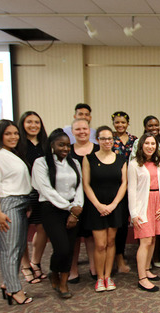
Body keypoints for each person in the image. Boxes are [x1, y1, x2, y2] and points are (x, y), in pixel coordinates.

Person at [0, 119, 33, 305]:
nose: (13, 137)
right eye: (8, 134)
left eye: (15, 133)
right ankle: (14, 290)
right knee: (9, 250)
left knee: (18, 248)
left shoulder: (12, 154)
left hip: (20, 204)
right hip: (6, 205)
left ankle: (8, 283)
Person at [32, 129, 84, 299]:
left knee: (69, 248)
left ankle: (63, 282)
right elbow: (46, 190)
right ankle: (54, 272)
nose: (65, 148)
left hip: (73, 210)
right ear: (52, 145)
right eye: (61, 145)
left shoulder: (74, 163)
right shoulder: (41, 163)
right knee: (61, 247)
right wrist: (69, 208)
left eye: (68, 145)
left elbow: (79, 187)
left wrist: (76, 209)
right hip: (52, 209)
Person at [82, 126, 127, 292]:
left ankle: (108, 276)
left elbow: (124, 183)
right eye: (103, 138)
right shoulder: (89, 159)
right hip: (96, 207)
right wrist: (98, 205)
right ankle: (100, 278)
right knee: (100, 244)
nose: (107, 141)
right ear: (97, 140)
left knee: (110, 242)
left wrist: (114, 204)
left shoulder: (121, 159)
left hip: (115, 206)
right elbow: (86, 184)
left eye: (110, 138)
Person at [128, 133, 160, 291]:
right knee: (145, 241)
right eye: (147, 143)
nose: (150, 146)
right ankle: (142, 278)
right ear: (141, 145)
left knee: (152, 239)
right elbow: (131, 190)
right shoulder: (134, 164)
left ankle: (146, 269)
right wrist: (133, 213)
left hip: (157, 204)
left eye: (153, 144)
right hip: (142, 205)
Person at [19, 111, 49, 284]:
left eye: (36, 122)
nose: (33, 125)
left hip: (41, 192)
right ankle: (25, 266)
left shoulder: (45, 144)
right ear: (22, 124)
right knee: (21, 231)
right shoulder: (19, 144)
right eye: (29, 122)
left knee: (43, 228)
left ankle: (35, 262)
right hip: (23, 191)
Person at [69, 118, 99, 283]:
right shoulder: (67, 150)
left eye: (84, 129)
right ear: (72, 132)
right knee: (73, 236)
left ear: (89, 130)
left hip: (93, 198)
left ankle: (94, 267)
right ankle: (73, 269)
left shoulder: (97, 149)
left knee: (91, 235)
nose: (82, 132)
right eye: (78, 129)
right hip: (73, 200)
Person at [111, 111, 137, 274]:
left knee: (125, 223)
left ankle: (120, 254)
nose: (120, 125)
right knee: (116, 223)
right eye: (117, 122)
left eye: (123, 122)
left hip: (132, 185)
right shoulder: (109, 139)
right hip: (114, 186)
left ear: (128, 123)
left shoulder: (134, 140)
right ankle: (116, 257)